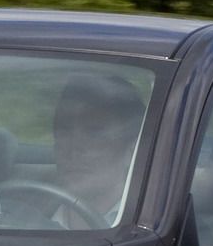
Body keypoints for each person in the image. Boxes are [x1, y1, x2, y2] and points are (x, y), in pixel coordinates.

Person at [51, 73, 147, 223]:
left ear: (132, 150)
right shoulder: (22, 216)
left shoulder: (147, 225)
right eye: (64, 130)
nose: (74, 147)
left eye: (95, 133)